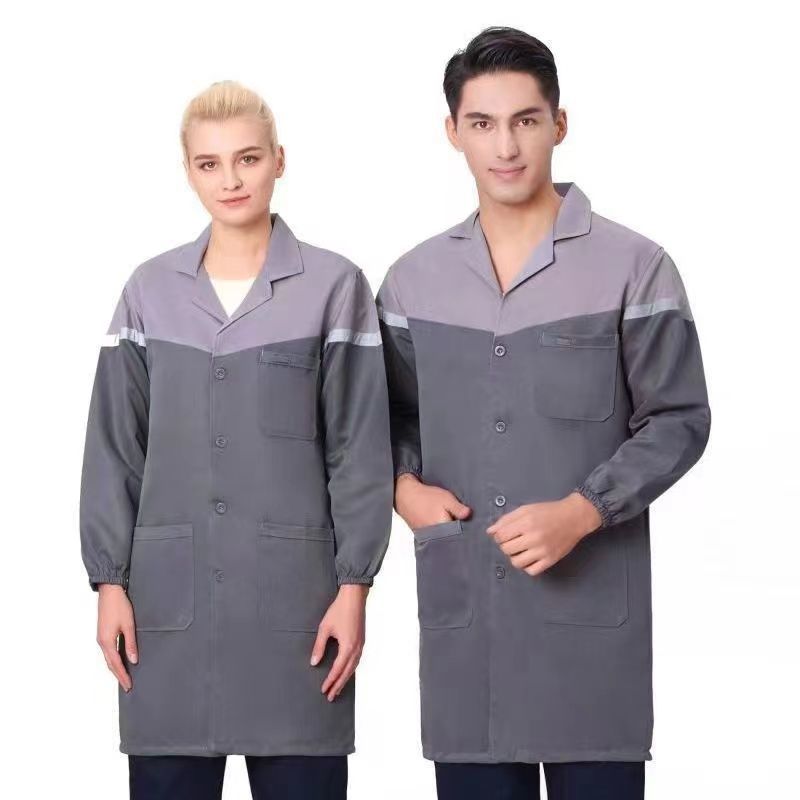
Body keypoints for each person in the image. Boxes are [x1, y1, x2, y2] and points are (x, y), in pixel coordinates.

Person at [376, 27, 711, 800]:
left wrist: (583, 510)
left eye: (525, 120)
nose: (506, 147)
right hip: (469, 624)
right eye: (483, 123)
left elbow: (678, 418)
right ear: (453, 132)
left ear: (559, 124)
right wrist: (402, 487)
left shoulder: (635, 267)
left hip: (590, 632)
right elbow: (382, 417)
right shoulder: (411, 282)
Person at [79, 79, 393, 800]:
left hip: (299, 614)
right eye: (210, 163)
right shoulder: (148, 291)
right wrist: (108, 582)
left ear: (279, 159)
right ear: (188, 171)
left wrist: (355, 587)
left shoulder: (335, 286)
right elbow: (114, 445)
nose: (231, 179)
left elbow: (358, 450)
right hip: (166, 611)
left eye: (248, 158)